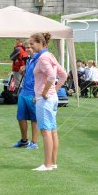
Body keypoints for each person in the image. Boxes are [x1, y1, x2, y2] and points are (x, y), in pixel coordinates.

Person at [30, 32, 67, 171]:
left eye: (32, 43)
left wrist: (45, 92)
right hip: (50, 98)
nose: (30, 46)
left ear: (41, 43)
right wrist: (53, 91)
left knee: (46, 131)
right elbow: (63, 74)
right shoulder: (50, 55)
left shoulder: (43, 58)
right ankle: (53, 162)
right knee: (52, 131)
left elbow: (52, 76)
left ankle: (47, 165)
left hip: (45, 99)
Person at [12, 40, 39, 150]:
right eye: (26, 47)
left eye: (30, 47)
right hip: (24, 92)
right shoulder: (28, 60)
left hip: (33, 92)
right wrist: (24, 71)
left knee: (34, 118)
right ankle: (24, 141)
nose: (28, 49)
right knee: (21, 117)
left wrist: (39, 93)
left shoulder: (39, 59)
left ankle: (34, 142)